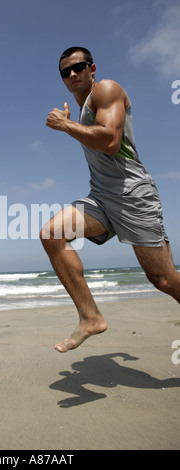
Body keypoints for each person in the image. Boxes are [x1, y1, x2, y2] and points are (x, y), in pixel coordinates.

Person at [41, 46, 180, 353]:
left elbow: (110, 142)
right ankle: (90, 317)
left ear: (92, 68)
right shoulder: (79, 111)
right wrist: (70, 123)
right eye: (66, 72)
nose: (73, 74)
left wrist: (65, 126)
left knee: (165, 280)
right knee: (52, 233)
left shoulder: (106, 89)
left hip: (133, 195)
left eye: (79, 67)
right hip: (101, 197)